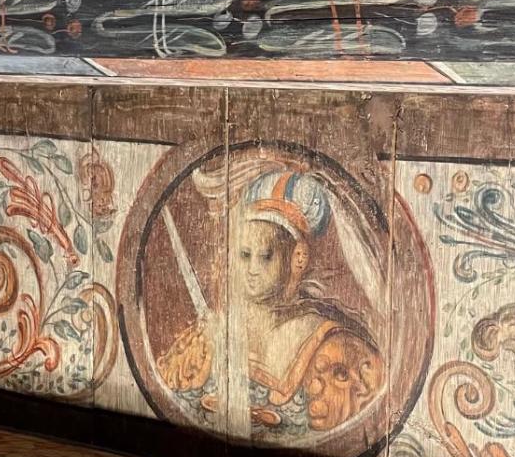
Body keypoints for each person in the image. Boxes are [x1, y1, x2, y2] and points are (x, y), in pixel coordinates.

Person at [157, 169, 383, 436]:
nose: (252, 270)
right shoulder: (211, 331)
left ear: (298, 258)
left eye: (265, 256)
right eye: (244, 255)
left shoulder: (333, 346)